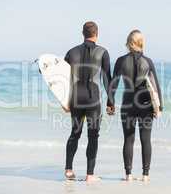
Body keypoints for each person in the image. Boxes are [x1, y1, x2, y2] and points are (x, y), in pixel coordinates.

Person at [64, 21, 114, 182]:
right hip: (93, 101)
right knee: (93, 136)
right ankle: (90, 174)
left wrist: (64, 100)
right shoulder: (103, 52)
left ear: (82, 33)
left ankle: (69, 170)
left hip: (76, 99)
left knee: (75, 133)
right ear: (96, 34)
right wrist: (110, 102)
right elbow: (108, 80)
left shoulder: (71, 52)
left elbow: (62, 79)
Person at [109, 30, 163, 181]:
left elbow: (114, 83)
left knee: (128, 139)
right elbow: (155, 85)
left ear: (129, 42)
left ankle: (128, 175)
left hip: (128, 103)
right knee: (146, 139)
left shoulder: (120, 61)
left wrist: (110, 102)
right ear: (141, 42)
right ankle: (145, 175)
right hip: (145, 103)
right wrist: (160, 106)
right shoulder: (148, 61)